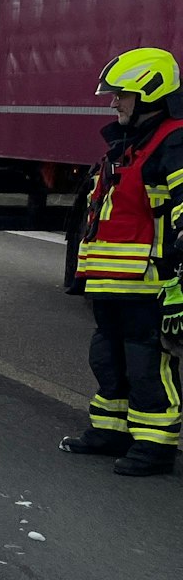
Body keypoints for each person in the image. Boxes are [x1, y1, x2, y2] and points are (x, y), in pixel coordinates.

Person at [62, 47, 183, 476]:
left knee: (147, 362)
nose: (113, 102)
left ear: (149, 94)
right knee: (107, 356)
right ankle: (111, 430)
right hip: (111, 280)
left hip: (149, 282)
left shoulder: (175, 141)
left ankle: (155, 446)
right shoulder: (126, 144)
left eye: (121, 95)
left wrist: (178, 285)